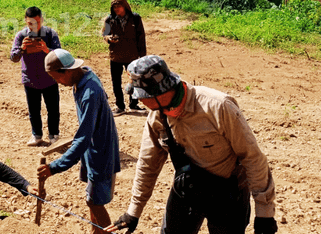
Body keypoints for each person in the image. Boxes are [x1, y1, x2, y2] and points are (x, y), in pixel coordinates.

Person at [106, 55, 278, 234]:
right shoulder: (156, 117)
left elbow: (252, 157)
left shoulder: (217, 107)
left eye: (142, 95)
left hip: (228, 195)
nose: (139, 100)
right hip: (187, 191)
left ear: (160, 92)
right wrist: (133, 212)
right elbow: (147, 164)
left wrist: (264, 214)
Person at [37, 48, 120, 234]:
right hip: (94, 149)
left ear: (66, 71)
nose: (57, 82)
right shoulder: (84, 77)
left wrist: (54, 167)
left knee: (94, 202)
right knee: (92, 199)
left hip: (100, 151)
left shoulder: (89, 92)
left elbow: (82, 139)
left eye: (56, 77)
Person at [9, 6, 61, 146]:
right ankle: (36, 135)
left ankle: (54, 135)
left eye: (37, 22)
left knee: (53, 109)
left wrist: (46, 49)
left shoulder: (50, 34)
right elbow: (13, 58)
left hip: (49, 78)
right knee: (33, 110)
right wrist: (22, 49)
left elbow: (60, 55)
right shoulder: (21, 36)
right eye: (31, 23)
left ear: (42, 20)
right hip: (30, 80)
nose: (34, 26)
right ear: (26, 21)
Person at [101, 0, 146, 115]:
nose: (117, 9)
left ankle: (134, 104)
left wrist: (142, 56)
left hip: (132, 56)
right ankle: (120, 106)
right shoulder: (109, 20)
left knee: (134, 81)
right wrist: (109, 38)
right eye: (114, 7)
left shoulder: (135, 18)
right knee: (116, 82)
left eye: (119, 6)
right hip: (115, 56)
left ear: (125, 6)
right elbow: (104, 34)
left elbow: (141, 37)